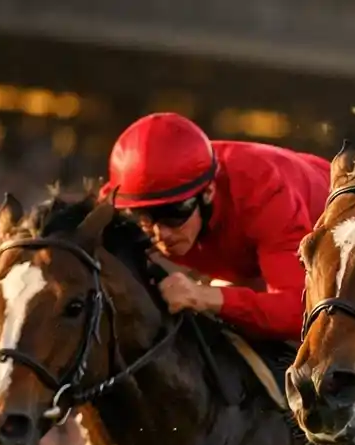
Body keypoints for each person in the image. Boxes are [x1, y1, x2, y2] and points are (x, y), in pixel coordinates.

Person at [103, 112, 334, 345]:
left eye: (174, 215)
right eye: (144, 217)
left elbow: (301, 314)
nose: (160, 233)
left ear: (208, 193)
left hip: (343, 235)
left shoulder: (264, 195)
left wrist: (203, 296)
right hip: (250, 258)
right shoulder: (121, 200)